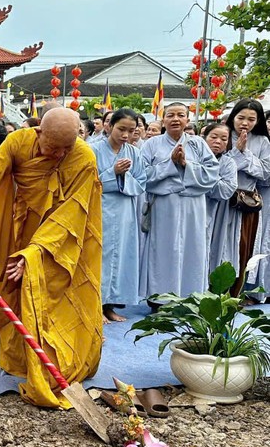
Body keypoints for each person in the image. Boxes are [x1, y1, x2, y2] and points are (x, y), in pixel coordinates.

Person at [0, 108, 104, 409]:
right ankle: (17, 361)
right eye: (52, 147)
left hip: (64, 240)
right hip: (23, 227)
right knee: (14, 291)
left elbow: (70, 213)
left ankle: (60, 362)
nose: (58, 155)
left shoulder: (83, 158)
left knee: (57, 299)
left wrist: (36, 251)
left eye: (66, 149)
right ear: (38, 133)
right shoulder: (18, 142)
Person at [139, 103, 220, 300]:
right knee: (163, 249)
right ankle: (161, 298)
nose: (175, 119)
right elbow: (142, 175)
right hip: (164, 205)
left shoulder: (198, 143)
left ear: (187, 120)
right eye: (170, 115)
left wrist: (186, 165)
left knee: (193, 249)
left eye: (180, 115)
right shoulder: (151, 144)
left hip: (193, 206)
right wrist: (170, 164)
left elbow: (212, 173)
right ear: (163, 120)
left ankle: (190, 296)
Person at [94, 109, 146, 323]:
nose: (125, 135)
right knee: (101, 256)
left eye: (131, 130)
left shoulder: (134, 153)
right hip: (101, 208)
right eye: (121, 129)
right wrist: (112, 173)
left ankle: (111, 305)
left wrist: (124, 178)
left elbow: (142, 181)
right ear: (109, 127)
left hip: (125, 211)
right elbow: (88, 181)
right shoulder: (93, 150)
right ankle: (95, 305)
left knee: (122, 257)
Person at [225, 100, 270, 296]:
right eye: (241, 117)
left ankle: (237, 293)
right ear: (233, 117)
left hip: (247, 202)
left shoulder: (262, 141)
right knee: (220, 245)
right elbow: (217, 165)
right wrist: (237, 153)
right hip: (222, 199)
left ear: (258, 121)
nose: (245, 123)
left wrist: (245, 154)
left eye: (251, 119)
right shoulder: (223, 135)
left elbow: (266, 172)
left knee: (244, 246)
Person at [202, 123, 239, 276]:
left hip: (217, 212)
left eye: (224, 139)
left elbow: (226, 190)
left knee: (213, 248)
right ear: (204, 138)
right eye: (213, 137)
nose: (218, 141)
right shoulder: (192, 158)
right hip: (191, 209)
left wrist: (203, 177)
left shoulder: (229, 163)